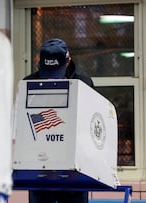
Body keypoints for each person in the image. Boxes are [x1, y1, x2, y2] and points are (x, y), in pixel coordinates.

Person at [23, 38, 94, 203]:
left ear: (68, 61)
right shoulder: (29, 84)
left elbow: (90, 123)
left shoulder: (83, 84)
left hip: (74, 167)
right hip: (40, 165)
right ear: (39, 63)